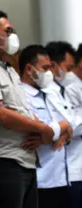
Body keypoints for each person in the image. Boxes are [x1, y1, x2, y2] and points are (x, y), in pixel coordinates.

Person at [0, 11, 56, 208]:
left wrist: (37, 129)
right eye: (8, 31)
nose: (13, 36)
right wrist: (42, 129)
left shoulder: (9, 68)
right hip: (5, 159)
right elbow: (1, 113)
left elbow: (22, 110)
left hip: (27, 159)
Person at [20, 45, 73, 208]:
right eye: (45, 68)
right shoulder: (21, 94)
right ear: (29, 69)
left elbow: (69, 125)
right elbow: (36, 129)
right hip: (40, 178)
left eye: (50, 67)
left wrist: (61, 131)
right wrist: (59, 129)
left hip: (61, 176)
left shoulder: (50, 92)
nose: (49, 72)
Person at [45, 41, 82, 208]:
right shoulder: (68, 88)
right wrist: (66, 129)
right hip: (68, 167)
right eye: (68, 68)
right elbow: (70, 126)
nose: (69, 73)